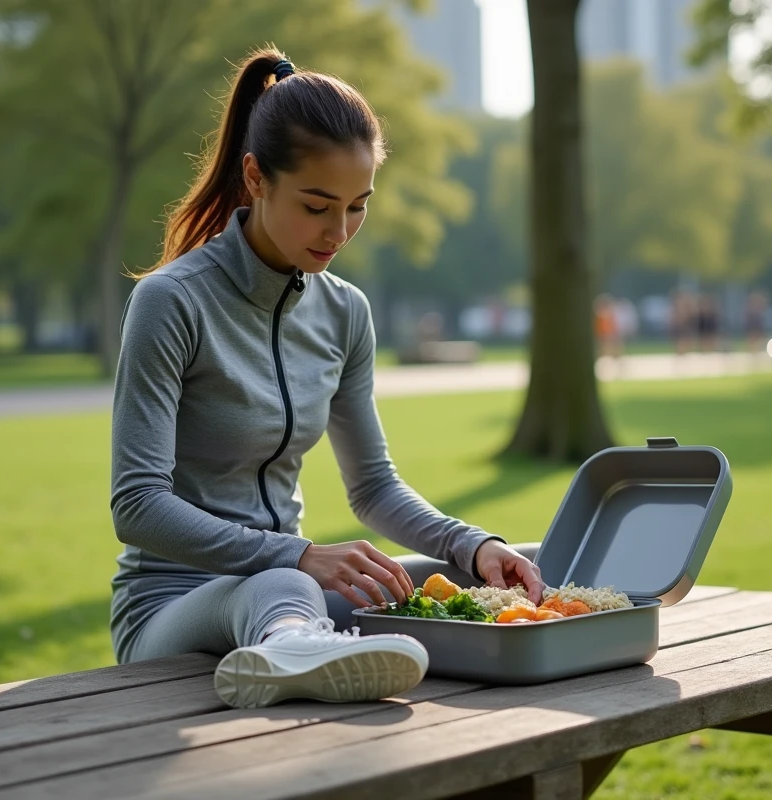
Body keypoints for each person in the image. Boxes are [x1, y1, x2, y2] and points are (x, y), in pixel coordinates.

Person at [109, 49, 544, 710]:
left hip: (294, 587)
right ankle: (295, 648)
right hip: (171, 604)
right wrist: (296, 554)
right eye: (316, 206)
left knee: (464, 577)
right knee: (282, 586)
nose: (338, 231)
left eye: (357, 207)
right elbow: (137, 505)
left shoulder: (345, 313)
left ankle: (300, 644)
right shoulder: (172, 302)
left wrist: (472, 543)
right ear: (256, 177)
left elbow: (373, 487)